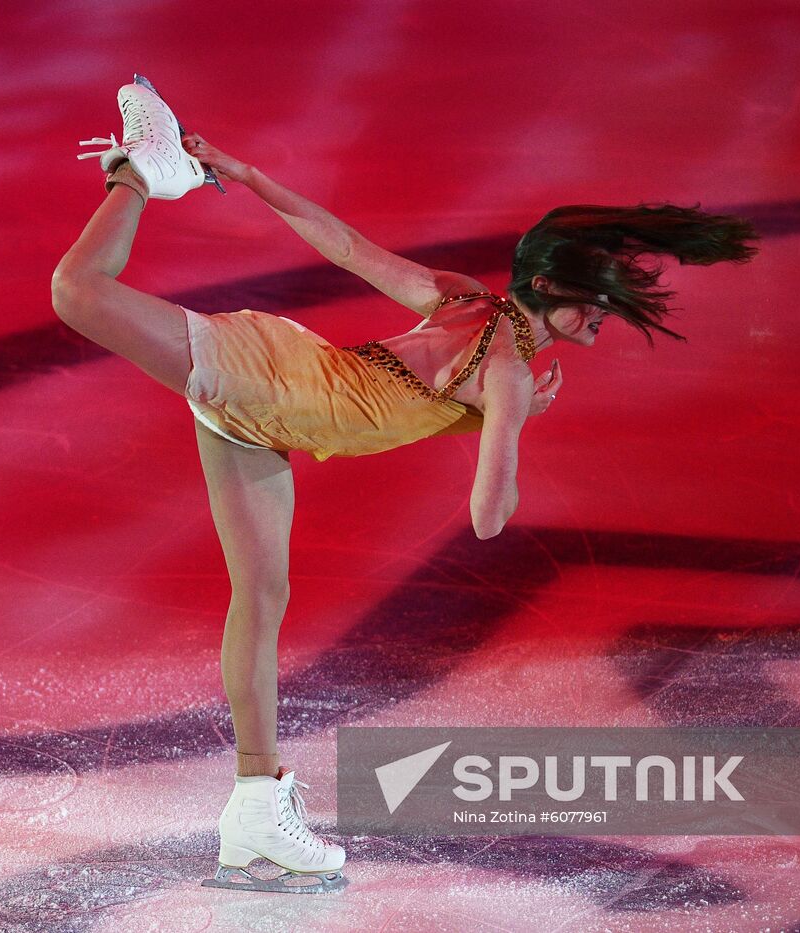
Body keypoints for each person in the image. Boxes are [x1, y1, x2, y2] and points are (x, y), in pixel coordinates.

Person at [52, 82, 759, 893]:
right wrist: (508, 421)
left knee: (261, 595)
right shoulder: (505, 371)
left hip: (278, 417)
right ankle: (140, 170)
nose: (608, 317)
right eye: (601, 301)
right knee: (77, 293)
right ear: (561, 293)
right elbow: (489, 519)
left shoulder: (467, 299)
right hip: (272, 382)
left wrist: (249, 174)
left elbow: (348, 248)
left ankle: (255, 808)